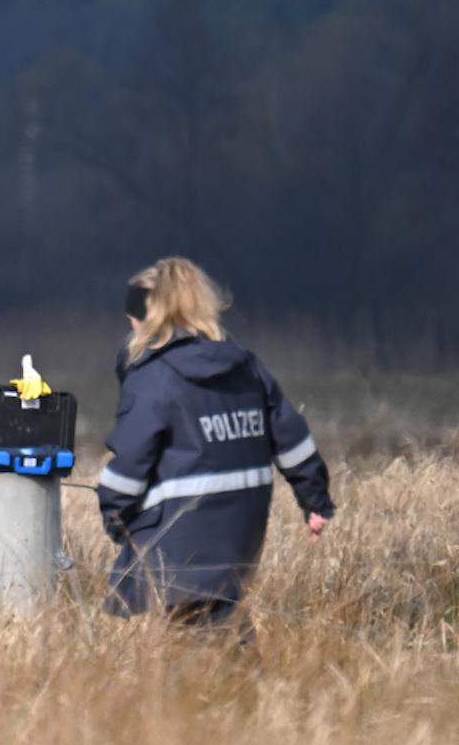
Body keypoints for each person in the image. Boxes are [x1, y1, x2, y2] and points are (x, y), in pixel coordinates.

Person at [96, 257, 334, 636]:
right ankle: (259, 693)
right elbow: (292, 438)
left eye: (133, 315)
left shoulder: (154, 376)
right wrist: (315, 500)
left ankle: (242, 693)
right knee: (220, 618)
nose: (129, 324)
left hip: (184, 531)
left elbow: (130, 462)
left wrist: (114, 517)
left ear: (151, 316)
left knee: (196, 640)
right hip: (243, 523)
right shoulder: (245, 366)